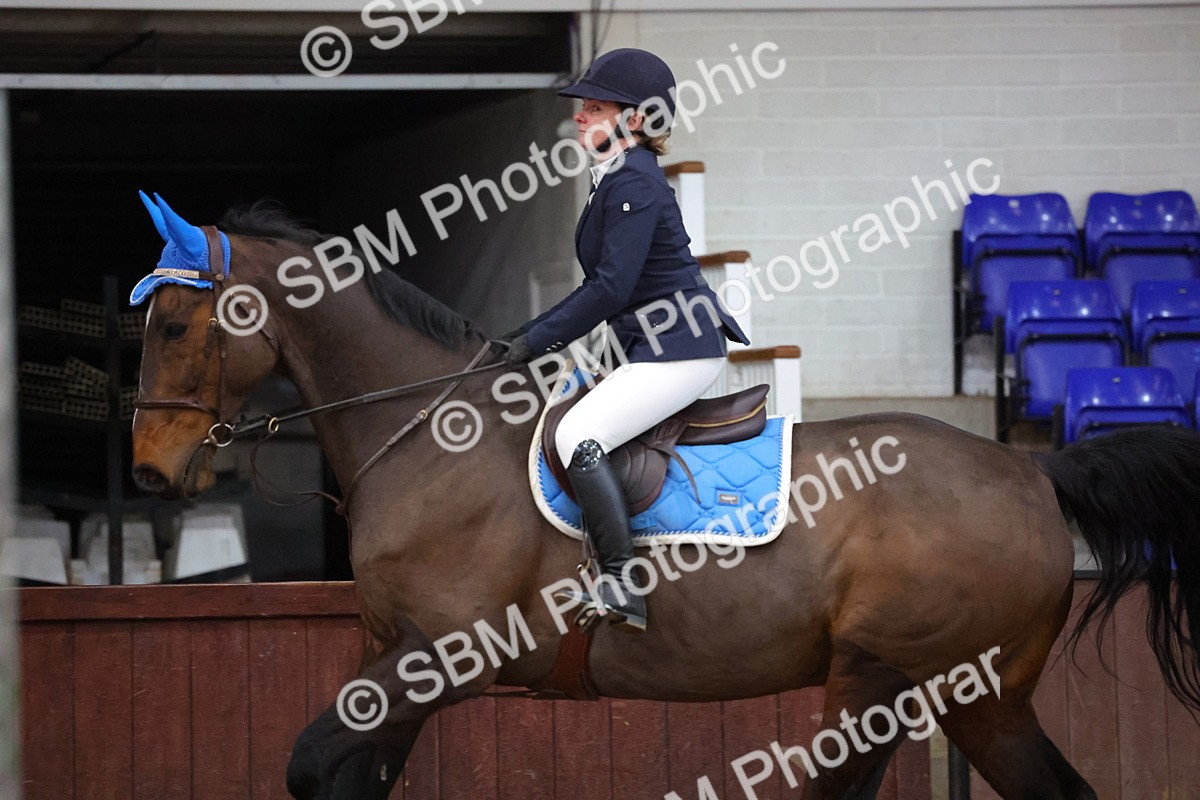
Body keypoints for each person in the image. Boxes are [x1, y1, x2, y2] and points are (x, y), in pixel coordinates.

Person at [504, 48, 750, 632]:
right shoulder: (614, 177)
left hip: (681, 351)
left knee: (579, 435)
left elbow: (611, 289)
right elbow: (610, 287)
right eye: (583, 109)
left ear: (635, 119)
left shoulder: (633, 181)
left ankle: (621, 582)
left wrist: (532, 342)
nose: (578, 119)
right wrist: (523, 337)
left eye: (592, 108)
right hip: (651, 345)